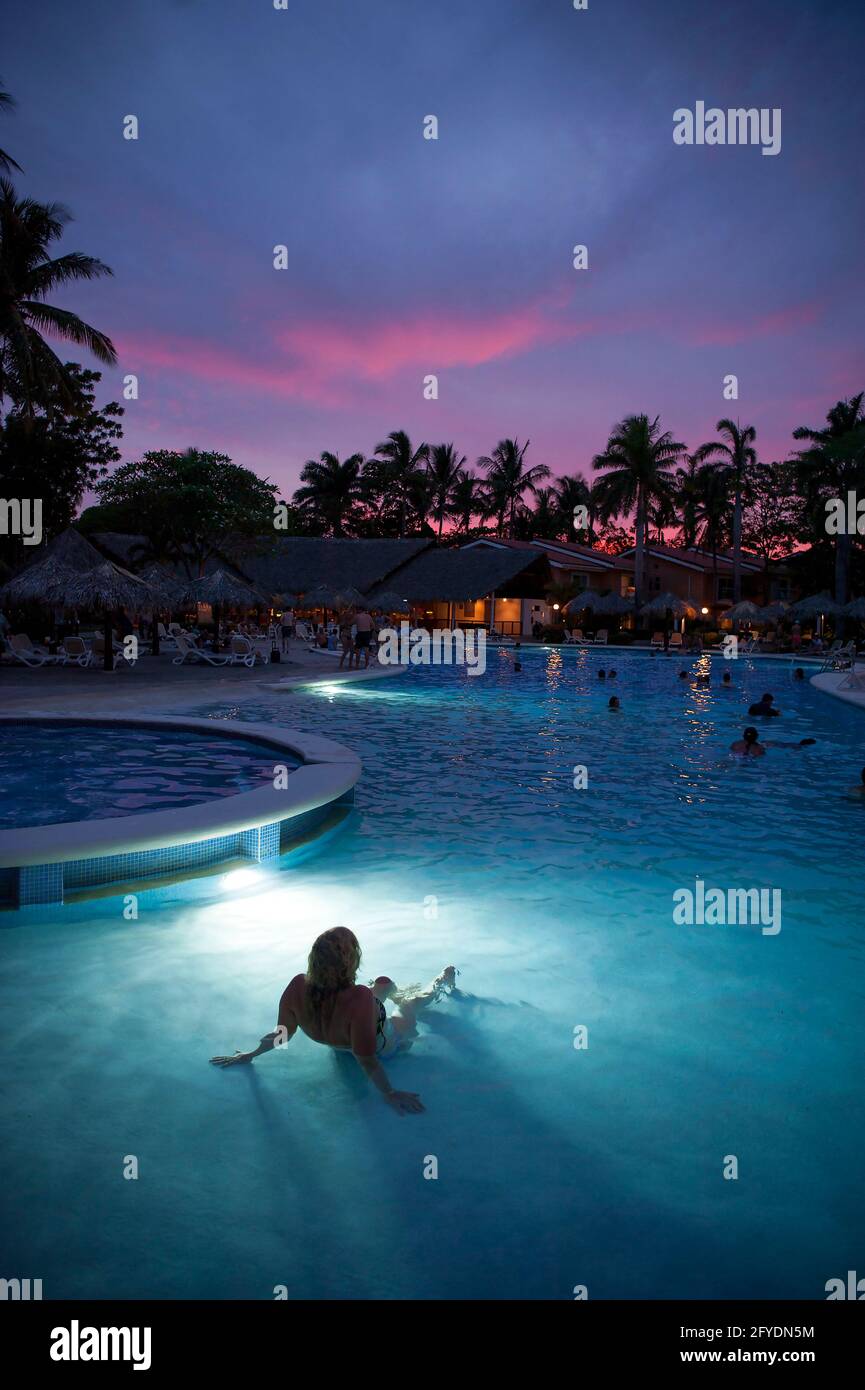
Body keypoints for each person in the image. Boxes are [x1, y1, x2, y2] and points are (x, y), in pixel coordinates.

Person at [210, 926, 457, 1116]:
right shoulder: (359, 996)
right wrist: (389, 1093)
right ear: (352, 963)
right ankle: (440, 984)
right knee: (409, 1005)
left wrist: (250, 1055)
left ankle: (393, 991)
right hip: (384, 1042)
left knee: (382, 983)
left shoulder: (297, 985)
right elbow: (367, 1059)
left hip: (340, 1038)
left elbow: (282, 1035)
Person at [730, 726, 815, 756]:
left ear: (743, 736)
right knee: (775, 744)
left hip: (736, 757)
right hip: (751, 759)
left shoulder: (735, 744)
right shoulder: (759, 748)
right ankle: (800, 745)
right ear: (757, 736)